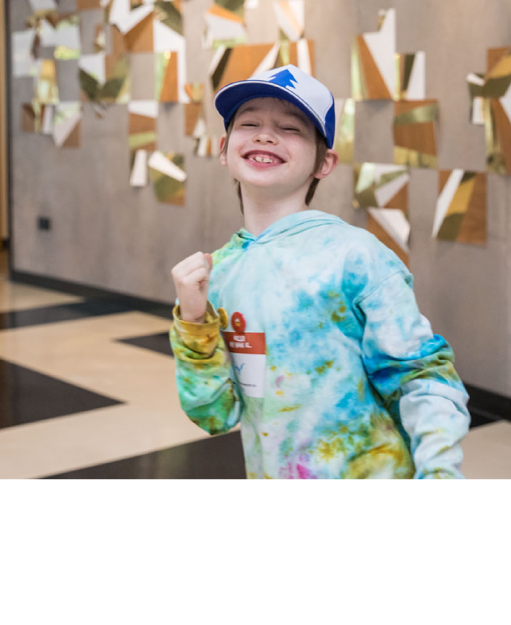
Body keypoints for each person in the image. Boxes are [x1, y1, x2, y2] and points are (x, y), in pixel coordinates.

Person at [168, 64, 470, 479]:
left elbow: (422, 378)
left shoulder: (355, 255)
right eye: (249, 123)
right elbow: (216, 415)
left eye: (290, 129)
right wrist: (193, 322)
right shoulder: (218, 273)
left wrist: (440, 474)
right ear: (223, 149)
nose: (265, 135)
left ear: (324, 162)